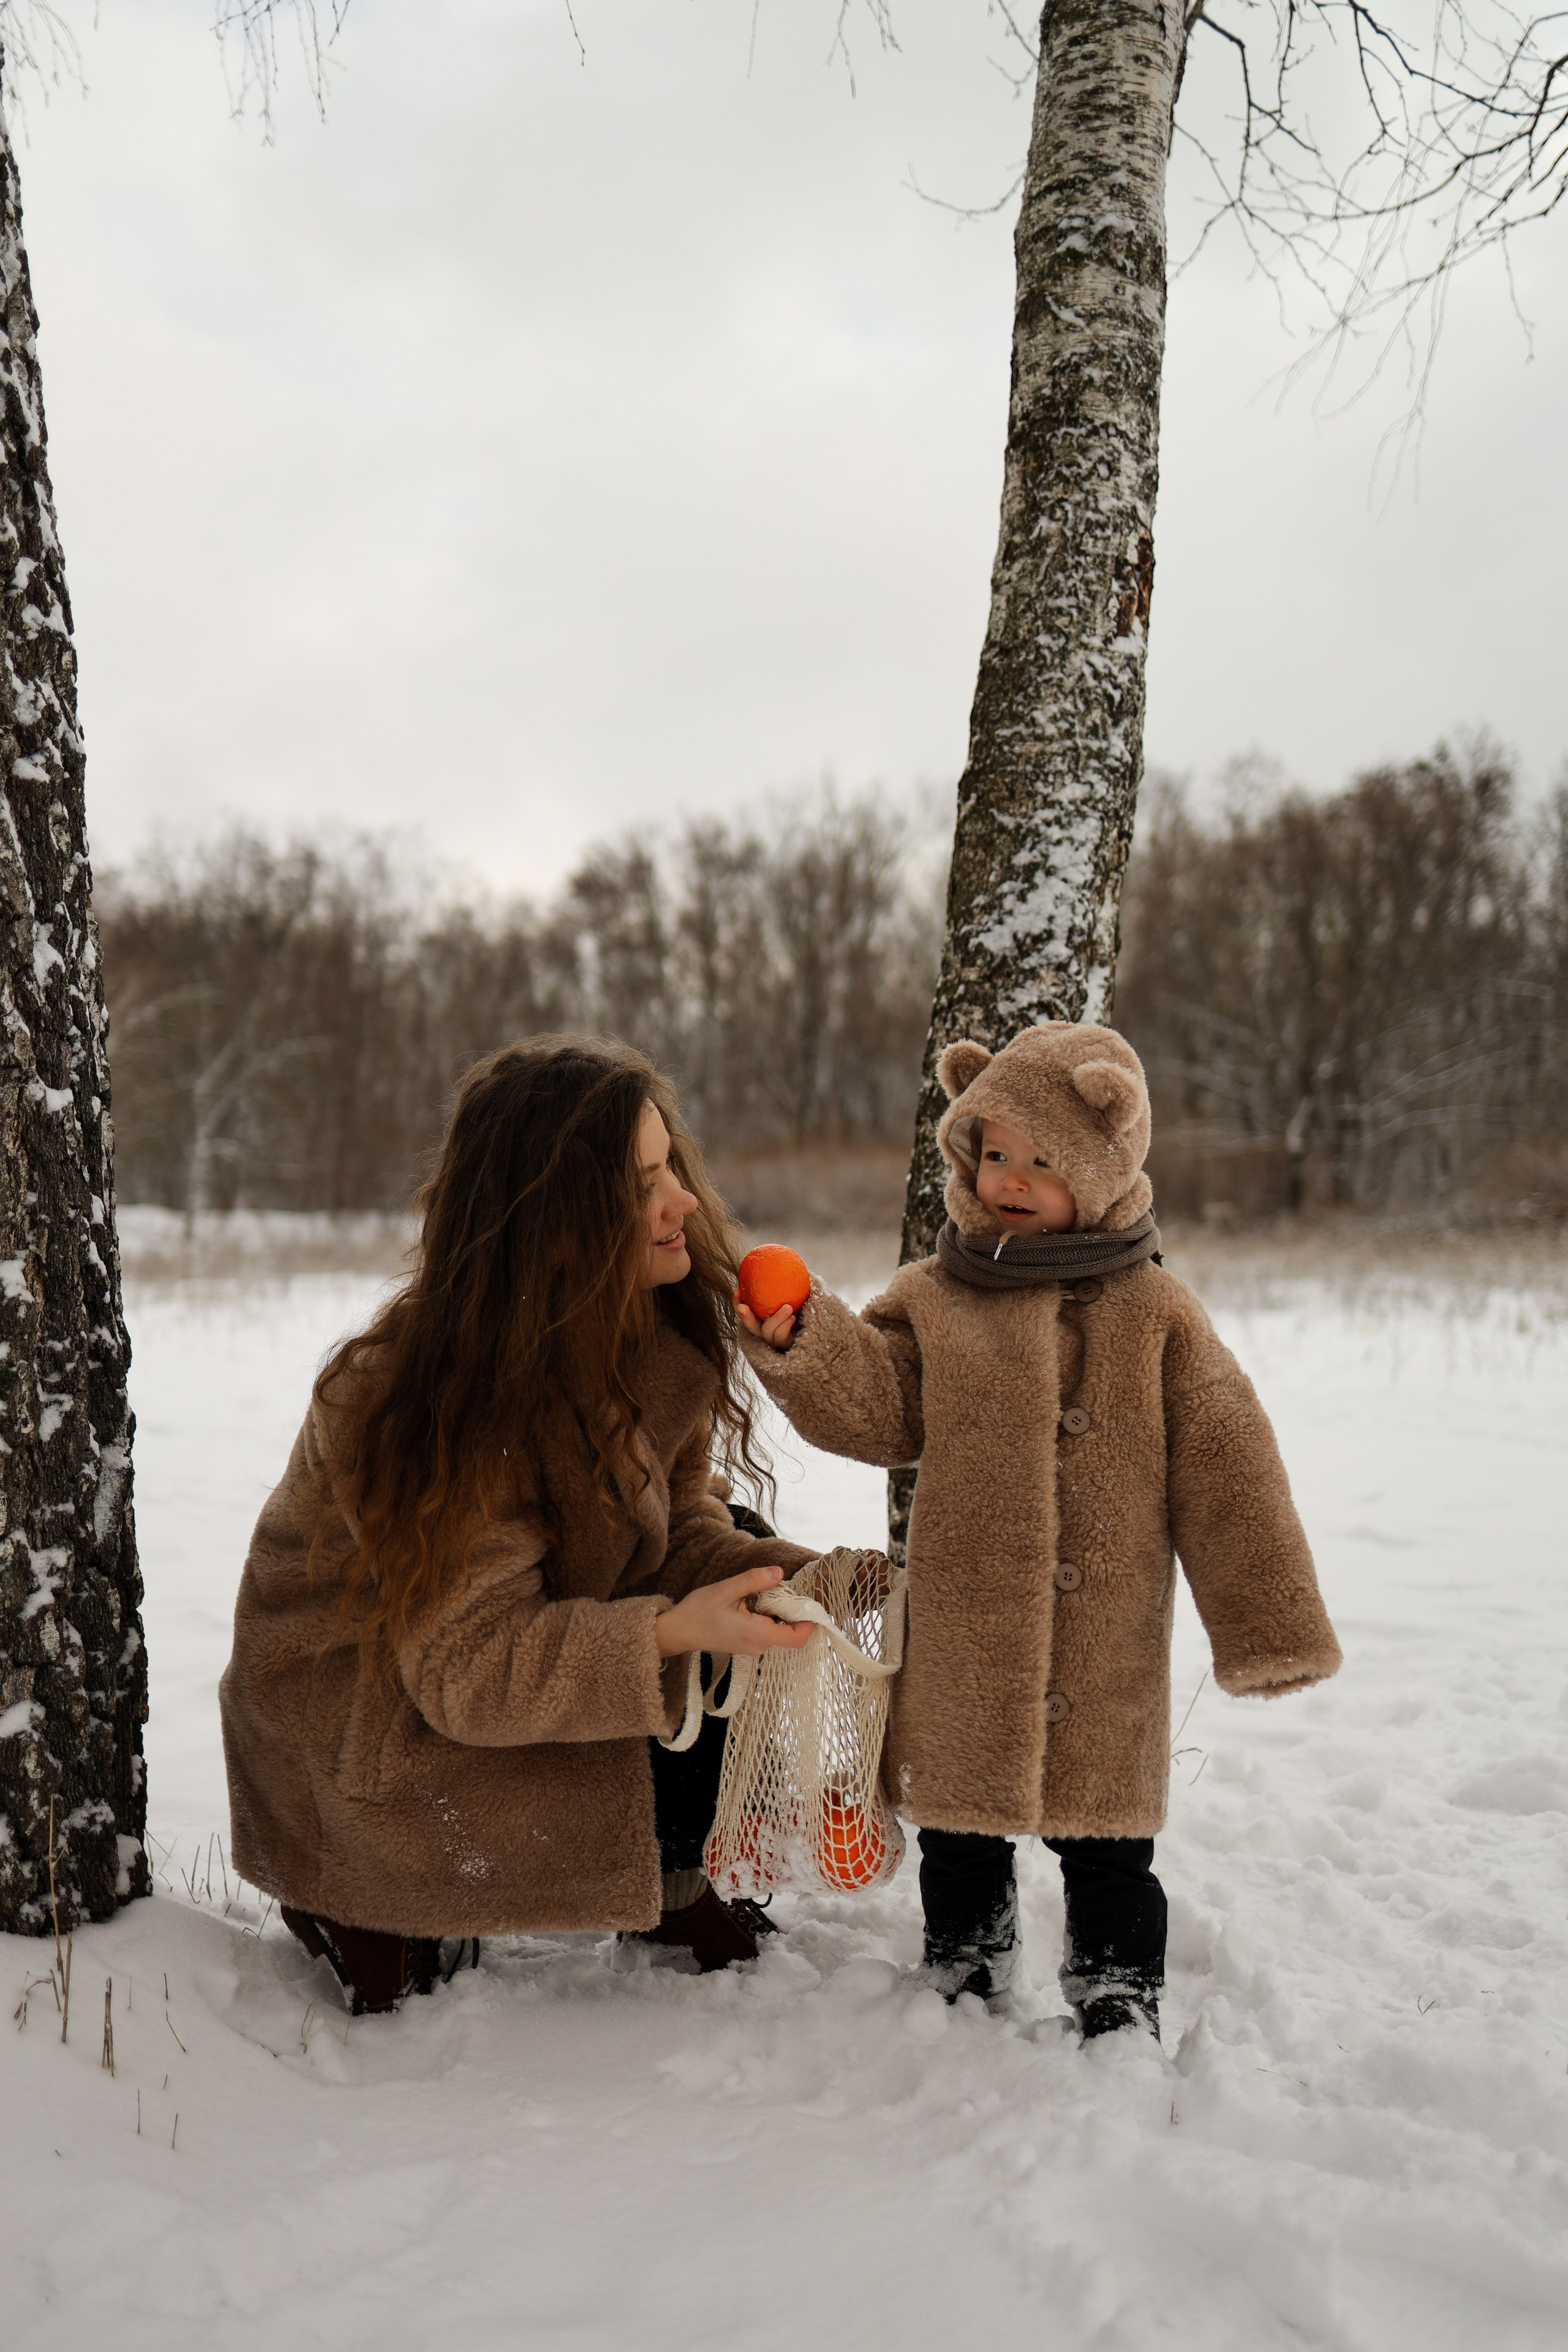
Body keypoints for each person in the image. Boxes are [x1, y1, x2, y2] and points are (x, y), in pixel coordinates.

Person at [736, 1021, 1342, 2041]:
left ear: (1106, 1163)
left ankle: (1118, 1980)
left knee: (1106, 1837)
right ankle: (966, 1953)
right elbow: (880, 1401)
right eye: (995, 1152)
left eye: (1044, 1160)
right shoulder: (940, 1296)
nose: (1010, 1178)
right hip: (969, 1626)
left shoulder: (1157, 1314)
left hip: (1103, 1638)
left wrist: (1267, 1627)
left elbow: (1229, 1467)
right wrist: (807, 1341)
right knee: (959, 1826)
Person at [219, 1035, 815, 2015]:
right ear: (553, 1224)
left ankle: (665, 1883)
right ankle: (366, 1899)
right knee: (681, 1660)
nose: (684, 1205)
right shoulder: (418, 1398)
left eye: (672, 1166)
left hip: (489, 1658)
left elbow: (683, 1526)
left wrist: (794, 1576)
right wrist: (673, 1633)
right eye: (641, 1185)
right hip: (369, 1723)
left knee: (738, 1588)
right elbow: (468, 1666)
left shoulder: (651, 1335)